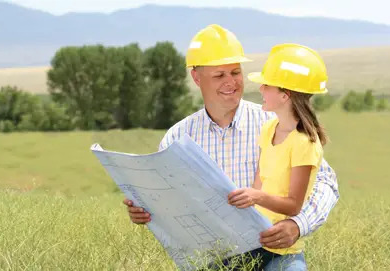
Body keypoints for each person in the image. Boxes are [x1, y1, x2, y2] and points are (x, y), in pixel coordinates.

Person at [123, 24, 339, 270]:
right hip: (212, 257)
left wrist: (297, 225)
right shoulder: (177, 138)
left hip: (277, 252)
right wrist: (146, 210)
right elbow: (168, 201)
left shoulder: (277, 123)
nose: (231, 82)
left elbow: (326, 183)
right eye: (219, 75)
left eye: (235, 72)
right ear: (196, 77)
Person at [228, 43, 330, 269]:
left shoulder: (304, 143)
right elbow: (260, 179)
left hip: (281, 251)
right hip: (252, 240)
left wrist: (256, 197)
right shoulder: (269, 128)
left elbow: (294, 206)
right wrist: (249, 208)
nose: (261, 89)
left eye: (267, 85)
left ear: (285, 95)